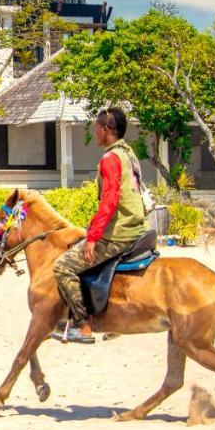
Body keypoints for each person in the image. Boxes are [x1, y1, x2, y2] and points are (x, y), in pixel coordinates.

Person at [52, 107, 148, 344]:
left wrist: (93, 237)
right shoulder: (128, 154)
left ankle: (81, 325)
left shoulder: (110, 158)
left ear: (106, 129)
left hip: (119, 233)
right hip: (137, 227)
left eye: (96, 127)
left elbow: (110, 200)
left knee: (63, 266)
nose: (94, 131)